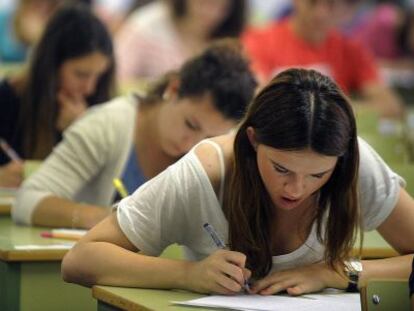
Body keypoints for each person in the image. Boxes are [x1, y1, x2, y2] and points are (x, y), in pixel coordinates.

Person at [61, 68, 414, 295]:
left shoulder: (354, 161)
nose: (296, 189)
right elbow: (81, 260)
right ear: (252, 140)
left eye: (318, 176)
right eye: (281, 169)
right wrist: (188, 274)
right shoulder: (206, 171)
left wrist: (336, 272)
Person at [13, 40, 257, 229]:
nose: (191, 144)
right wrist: (112, 220)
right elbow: (27, 201)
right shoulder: (109, 125)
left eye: (208, 139)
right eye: (190, 125)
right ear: (173, 89)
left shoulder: (222, 152)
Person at [0, 2, 115, 188]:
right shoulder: (7, 100)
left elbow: (114, 184)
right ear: (52, 66)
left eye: (99, 76)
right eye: (81, 74)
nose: (90, 88)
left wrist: (85, 133)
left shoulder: (98, 104)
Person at [243, 0, 403, 118]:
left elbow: (391, 106)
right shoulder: (258, 41)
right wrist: (339, 110)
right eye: (313, 2)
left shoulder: (352, 51)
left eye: (332, 5)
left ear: (350, 11)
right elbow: (257, 101)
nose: (320, 13)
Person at [115, 0, 246, 81]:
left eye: (222, 8)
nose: (211, 13)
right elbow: (115, 79)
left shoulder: (227, 38)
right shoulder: (146, 28)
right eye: (204, 2)